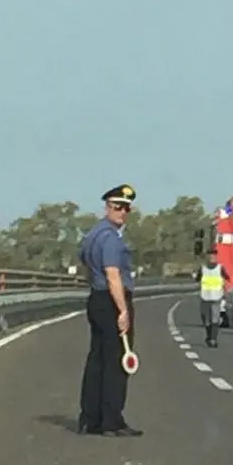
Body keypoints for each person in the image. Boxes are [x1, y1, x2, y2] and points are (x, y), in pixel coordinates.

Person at [76, 183, 143, 437]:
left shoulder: (92, 235)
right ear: (107, 207)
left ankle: (89, 418)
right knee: (117, 361)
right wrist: (123, 311)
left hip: (96, 297)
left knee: (96, 359)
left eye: (126, 208)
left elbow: (85, 262)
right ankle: (112, 420)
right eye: (118, 207)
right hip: (112, 299)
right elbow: (113, 275)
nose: (122, 212)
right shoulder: (112, 239)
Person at [193, 249, 230, 347]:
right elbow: (197, 279)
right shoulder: (203, 268)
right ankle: (210, 337)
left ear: (216, 257)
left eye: (213, 256)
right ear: (207, 258)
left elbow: (227, 278)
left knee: (215, 319)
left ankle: (213, 339)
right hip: (205, 296)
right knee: (206, 320)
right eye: (210, 256)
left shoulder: (220, 268)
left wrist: (225, 291)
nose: (211, 258)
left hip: (216, 297)